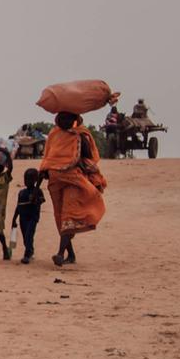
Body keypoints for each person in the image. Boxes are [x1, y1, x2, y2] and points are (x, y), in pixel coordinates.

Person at [33, 110, 107, 267]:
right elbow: (47, 159)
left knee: (68, 216)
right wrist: (36, 186)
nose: (64, 121)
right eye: (62, 118)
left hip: (74, 180)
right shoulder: (54, 135)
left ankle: (60, 254)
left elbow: (88, 156)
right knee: (60, 219)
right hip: (55, 181)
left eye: (68, 118)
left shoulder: (80, 135)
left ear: (74, 120)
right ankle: (71, 255)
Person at [11, 170, 45, 264]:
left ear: (35, 180)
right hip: (23, 218)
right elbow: (18, 206)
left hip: (33, 217)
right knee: (25, 237)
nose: (27, 181)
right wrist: (14, 219)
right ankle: (30, 249)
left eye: (29, 179)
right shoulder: (21, 192)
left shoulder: (38, 191)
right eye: (25, 179)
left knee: (29, 235)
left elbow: (41, 201)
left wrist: (35, 199)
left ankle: (27, 254)